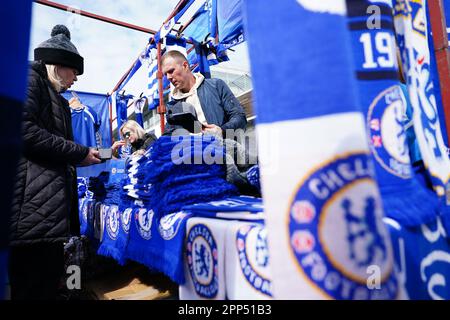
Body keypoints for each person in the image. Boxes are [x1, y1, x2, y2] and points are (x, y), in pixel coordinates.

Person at [8, 25, 101, 300]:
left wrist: (80, 158)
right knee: (32, 286)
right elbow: (22, 131)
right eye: (74, 72)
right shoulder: (29, 79)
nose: (76, 79)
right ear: (60, 66)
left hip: (45, 213)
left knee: (44, 284)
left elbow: (53, 149)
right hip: (29, 215)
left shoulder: (57, 100)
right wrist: (77, 152)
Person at [161, 50, 247, 137]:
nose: (168, 77)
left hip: (224, 147)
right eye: (165, 74)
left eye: (171, 71)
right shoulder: (173, 105)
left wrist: (222, 131)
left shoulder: (216, 85)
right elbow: (168, 136)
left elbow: (240, 117)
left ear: (185, 66)